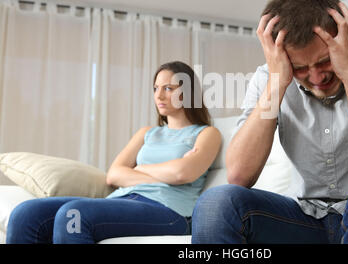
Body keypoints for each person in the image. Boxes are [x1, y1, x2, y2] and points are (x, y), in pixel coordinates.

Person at [191, 0, 348, 244]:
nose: (316, 77)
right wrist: (278, 80)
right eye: (300, 67)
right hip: (304, 219)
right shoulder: (270, 78)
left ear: (345, 37)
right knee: (216, 203)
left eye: (325, 61)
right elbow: (238, 175)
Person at [6, 61, 221, 244]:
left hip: (170, 210)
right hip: (123, 198)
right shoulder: (147, 133)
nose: (159, 95)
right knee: (26, 214)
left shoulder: (207, 133)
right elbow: (114, 174)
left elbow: (182, 174)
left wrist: (140, 168)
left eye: (168, 88)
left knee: (74, 215)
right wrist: (166, 170)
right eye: (155, 88)